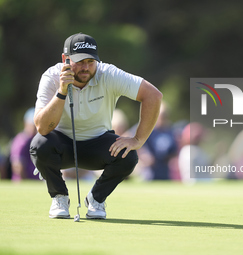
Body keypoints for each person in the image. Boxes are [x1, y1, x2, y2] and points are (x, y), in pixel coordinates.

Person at [29, 33, 162, 219]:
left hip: (99, 143)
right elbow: (42, 128)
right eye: (80, 61)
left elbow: (153, 96)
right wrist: (61, 92)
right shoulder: (51, 77)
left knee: (128, 155)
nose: (86, 67)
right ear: (64, 59)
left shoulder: (108, 74)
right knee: (39, 145)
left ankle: (96, 199)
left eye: (91, 61)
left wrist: (137, 140)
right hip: (62, 145)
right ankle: (59, 197)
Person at [10, 107, 38, 181]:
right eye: (33, 124)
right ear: (25, 123)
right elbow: (17, 166)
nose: (35, 127)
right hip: (24, 182)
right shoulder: (21, 140)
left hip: (37, 183)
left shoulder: (37, 139)